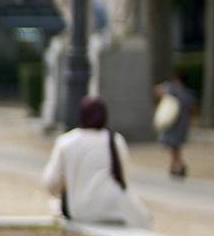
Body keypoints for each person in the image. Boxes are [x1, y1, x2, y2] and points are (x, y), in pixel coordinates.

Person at [43, 95, 151, 227]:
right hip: (114, 208)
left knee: (53, 204)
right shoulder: (116, 140)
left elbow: (51, 183)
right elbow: (125, 177)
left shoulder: (66, 142)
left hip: (80, 210)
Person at [153, 70, 196, 178]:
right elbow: (192, 109)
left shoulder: (171, 89)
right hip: (183, 123)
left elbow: (157, 90)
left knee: (173, 146)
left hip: (172, 122)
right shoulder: (187, 93)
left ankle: (175, 166)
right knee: (176, 146)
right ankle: (176, 165)